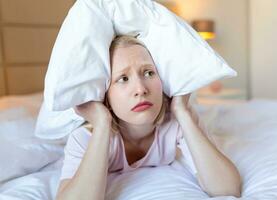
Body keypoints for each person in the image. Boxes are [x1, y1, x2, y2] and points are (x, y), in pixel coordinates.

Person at [55, 35, 242, 200]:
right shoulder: (84, 138)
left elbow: (227, 189)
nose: (141, 89)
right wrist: (103, 124)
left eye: (149, 73)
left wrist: (182, 112)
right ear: (106, 94)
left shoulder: (177, 123)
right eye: (123, 78)